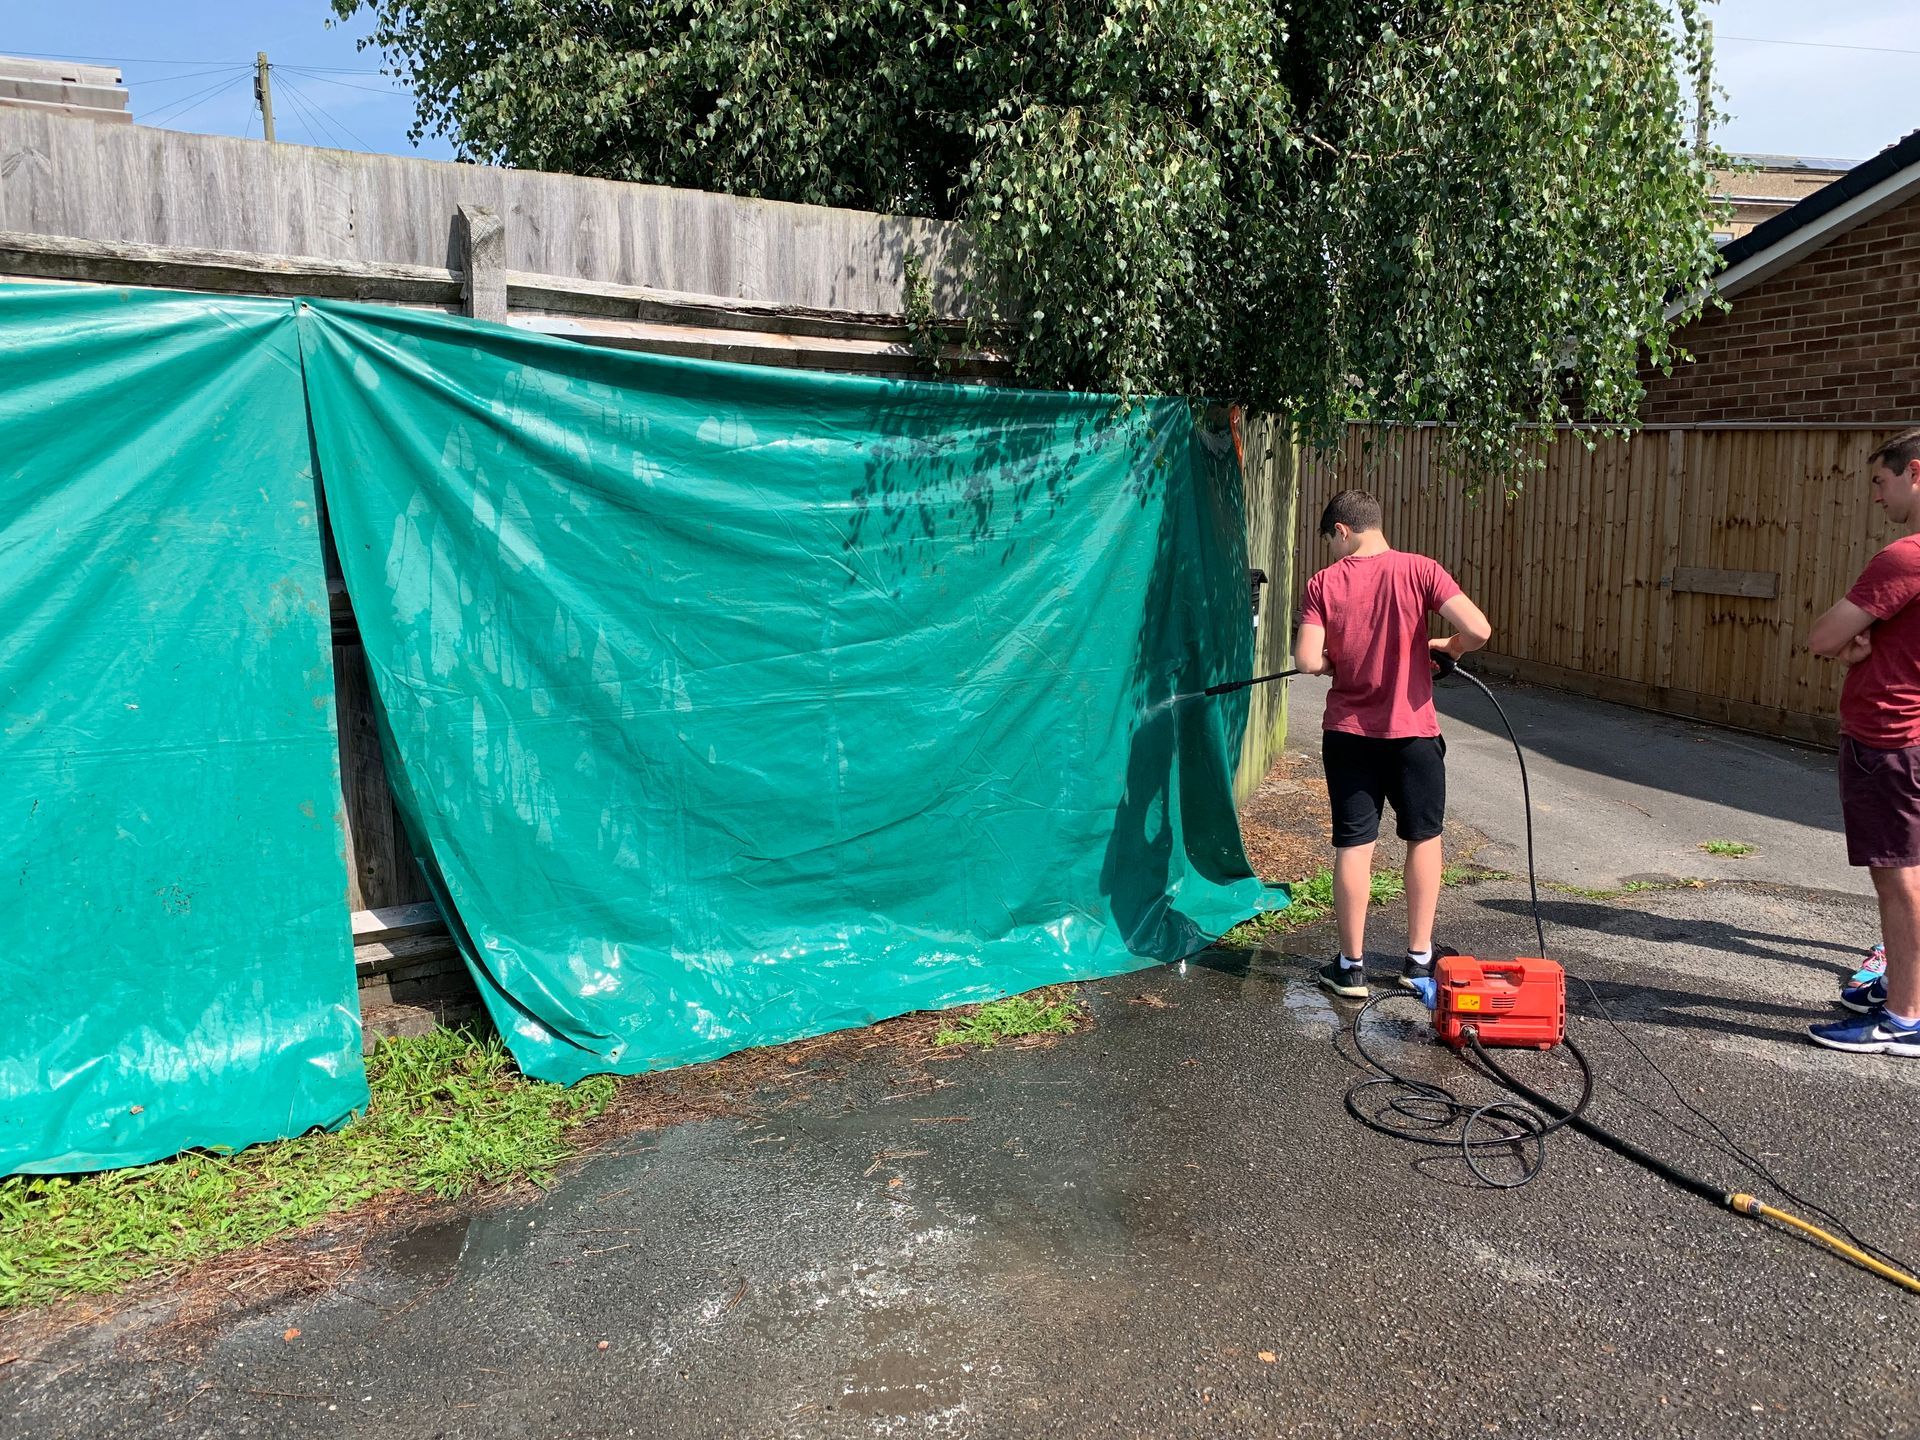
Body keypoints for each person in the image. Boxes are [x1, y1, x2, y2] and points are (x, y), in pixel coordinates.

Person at [1294, 491, 1492, 998]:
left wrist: (1333, 661)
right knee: (1423, 838)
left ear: (1342, 530)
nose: (1332, 551)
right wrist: (1449, 647)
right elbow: (1477, 629)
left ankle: (1350, 967)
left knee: (1354, 844)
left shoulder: (1323, 583)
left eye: (1330, 540)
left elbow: (1307, 660)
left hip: (1349, 736)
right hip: (1414, 736)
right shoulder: (1421, 570)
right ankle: (1419, 961)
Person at [1808, 428, 1920, 1056]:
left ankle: (1904, 1019)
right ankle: (1906, 993)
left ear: (1915, 473)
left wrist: (1852, 647)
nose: (1877, 496)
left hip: (1889, 737)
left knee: (1898, 881)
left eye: (1882, 481)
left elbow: (1823, 637)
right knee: (1909, 874)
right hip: (1910, 735)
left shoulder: (1906, 557)